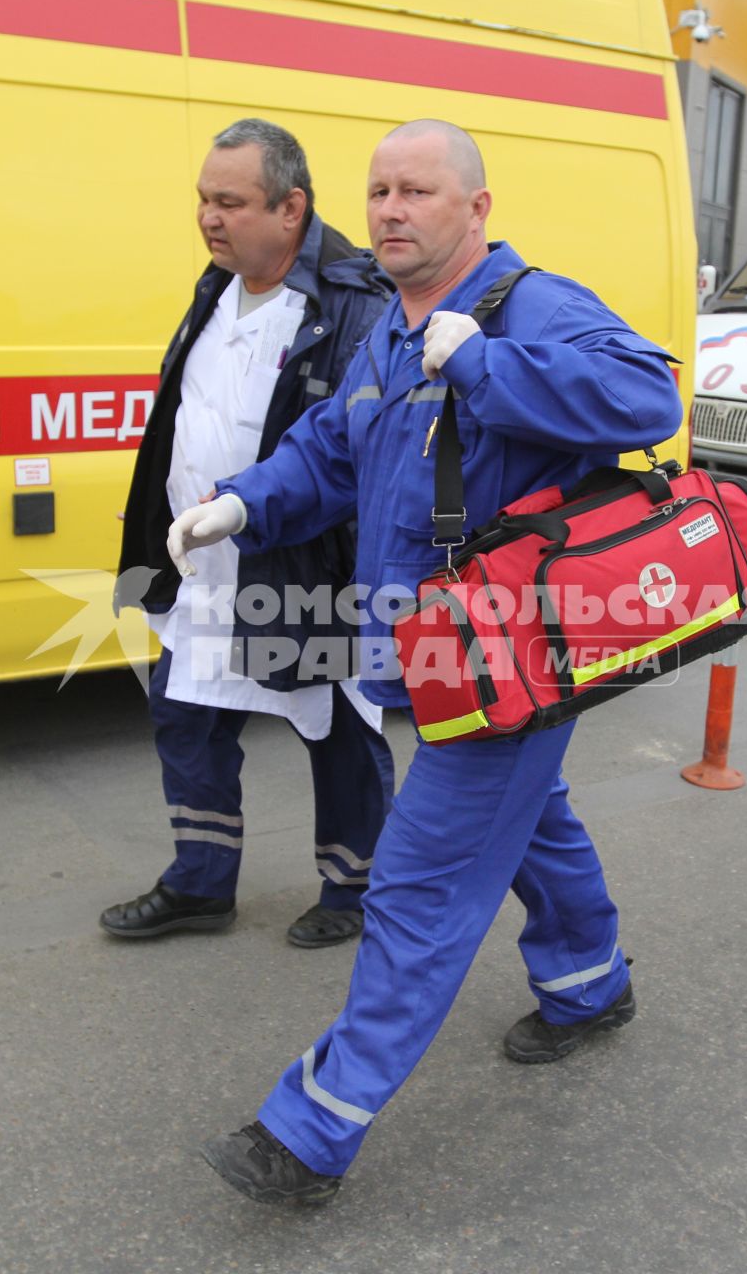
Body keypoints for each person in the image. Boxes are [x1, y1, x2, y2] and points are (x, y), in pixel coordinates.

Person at [168, 119, 682, 1205]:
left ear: (477, 208)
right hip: (433, 652)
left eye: (418, 190)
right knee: (535, 823)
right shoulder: (390, 335)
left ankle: (311, 1131)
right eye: (381, 189)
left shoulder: (529, 305)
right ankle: (590, 986)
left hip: (515, 656)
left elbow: (650, 399)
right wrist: (238, 504)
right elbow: (331, 452)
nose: (393, 209)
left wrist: (487, 362)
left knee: (418, 882)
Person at [106, 119, 395, 949]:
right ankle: (201, 883)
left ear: (291, 207)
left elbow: (356, 451)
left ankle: (356, 886)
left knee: (336, 727)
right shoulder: (216, 289)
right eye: (203, 199)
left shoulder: (351, 305)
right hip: (205, 563)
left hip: (306, 563)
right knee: (184, 714)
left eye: (229, 201)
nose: (209, 216)